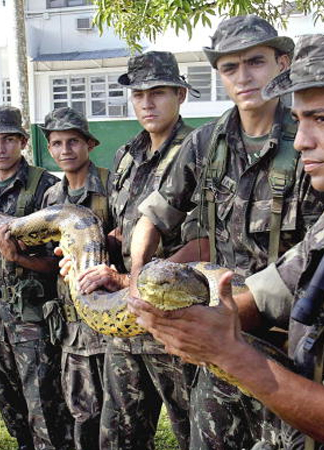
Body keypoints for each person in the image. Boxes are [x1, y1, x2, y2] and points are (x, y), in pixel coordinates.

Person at [132, 16, 324, 449]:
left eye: (255, 62)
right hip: (222, 334)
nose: (244, 77)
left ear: (283, 63)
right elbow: (156, 217)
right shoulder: (205, 143)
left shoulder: (306, 137)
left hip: (289, 350)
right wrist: (139, 281)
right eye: (230, 67)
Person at [58, 52, 200, 450]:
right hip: (124, 321)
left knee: (194, 433)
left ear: (180, 95)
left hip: (174, 322)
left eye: (157, 93)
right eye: (138, 95)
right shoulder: (125, 156)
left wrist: (127, 277)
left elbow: (206, 240)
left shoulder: (197, 150)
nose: (147, 103)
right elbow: (120, 230)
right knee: (118, 437)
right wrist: (84, 258)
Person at [0, 105, 73, 450]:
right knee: (9, 406)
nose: (0, 148)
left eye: (9, 140)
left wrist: (18, 257)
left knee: (45, 409)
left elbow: (61, 262)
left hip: (34, 317)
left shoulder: (48, 189)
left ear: (23, 142)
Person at [40, 107, 111, 450]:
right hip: (72, 327)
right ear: (50, 149)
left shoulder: (111, 185)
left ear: (89, 144)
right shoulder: (51, 199)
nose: (65, 149)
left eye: (73, 141)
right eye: (57, 143)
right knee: (82, 413)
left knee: (120, 415)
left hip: (110, 324)